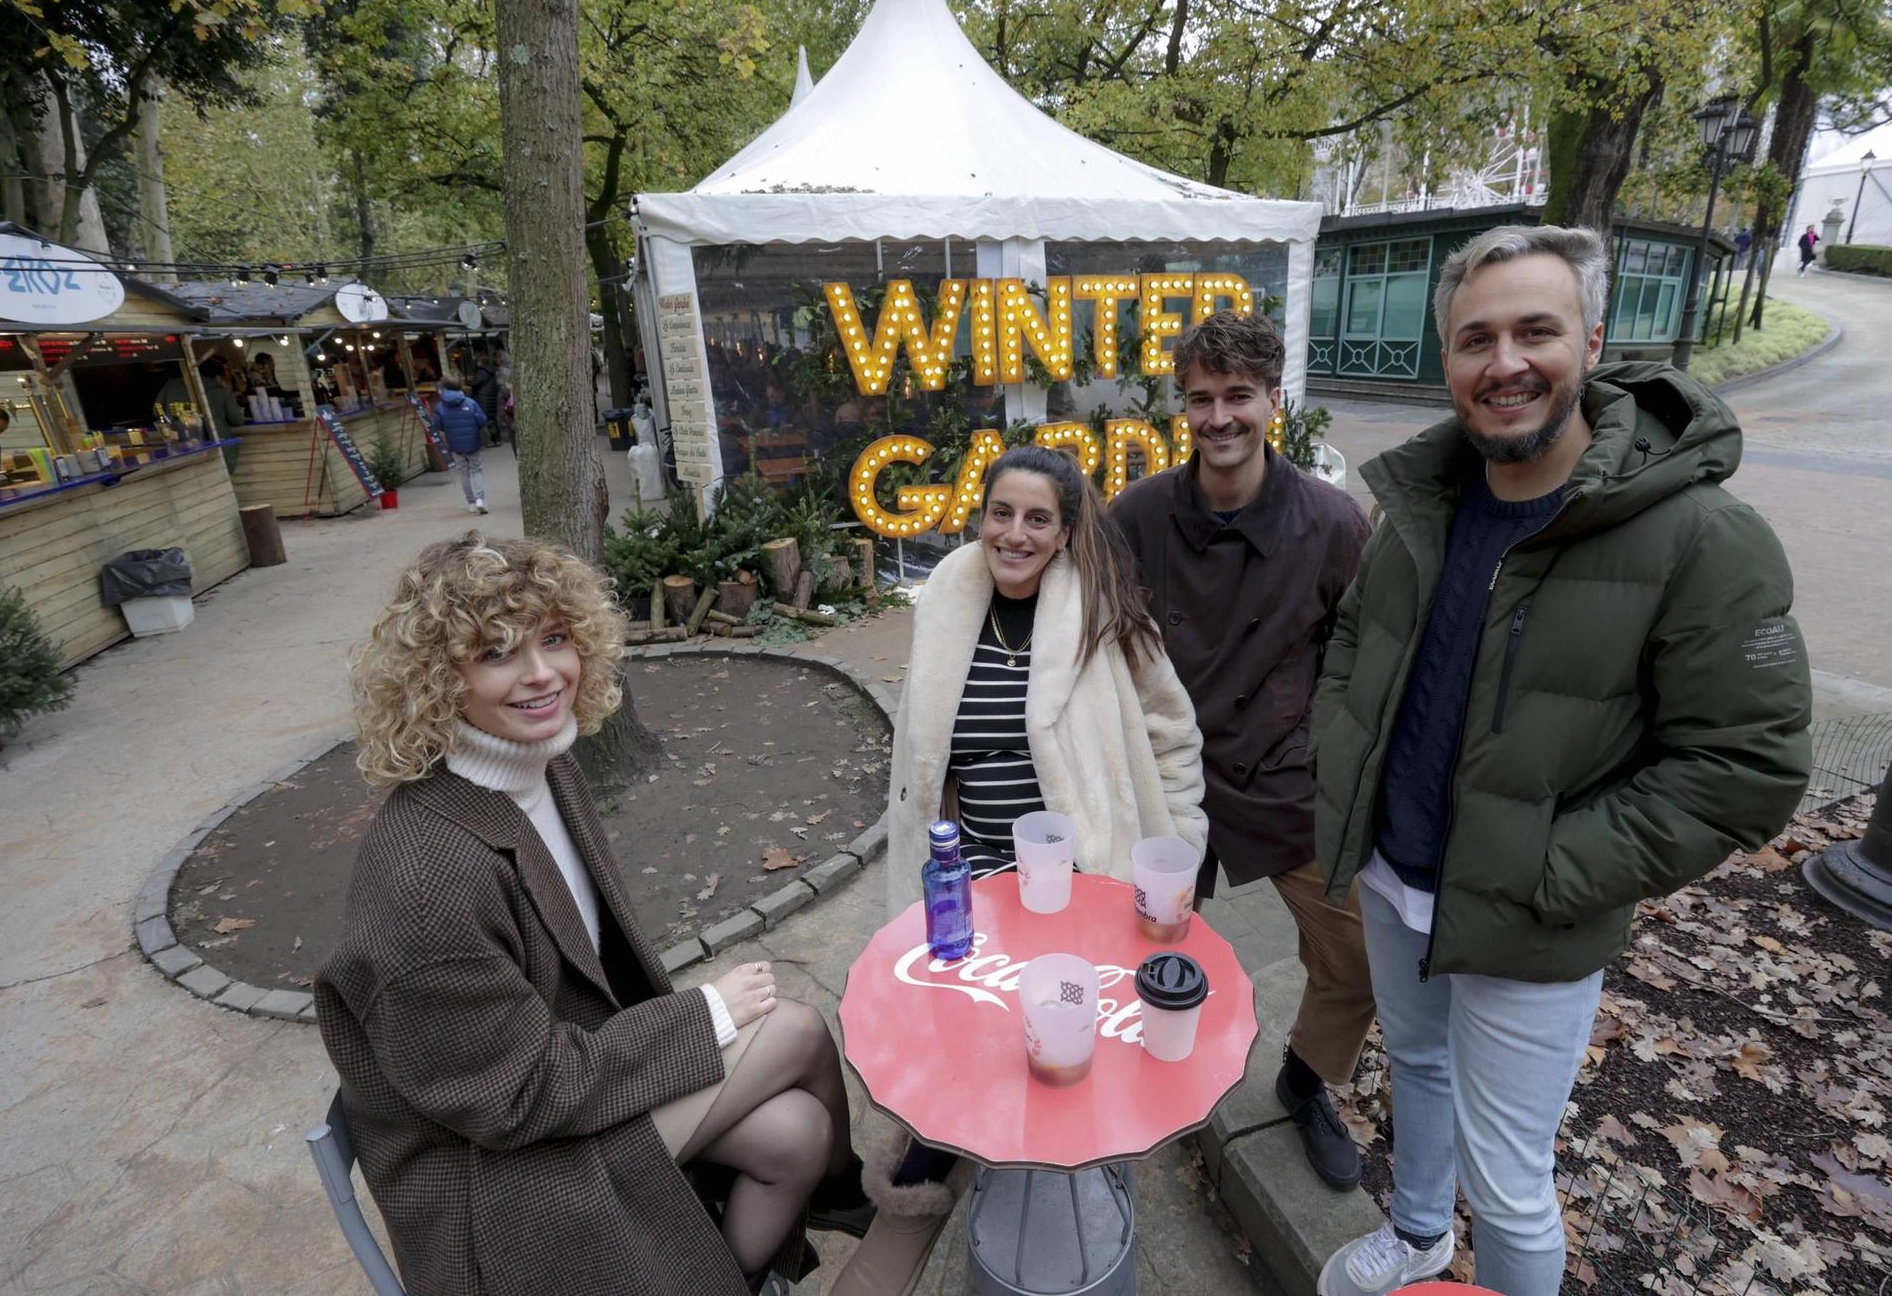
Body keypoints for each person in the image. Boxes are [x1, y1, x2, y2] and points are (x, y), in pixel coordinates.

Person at [1309, 224, 1812, 1295]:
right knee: (1416, 1068)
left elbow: (1744, 766)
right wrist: (1338, 750)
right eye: (1472, 338)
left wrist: (1546, 868)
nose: (1502, 363)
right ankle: (1414, 1235)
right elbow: (1356, 636)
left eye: (1533, 330)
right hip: (1397, 877)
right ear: (1443, 359)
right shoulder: (1419, 503)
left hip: (1534, 915)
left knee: (1509, 1179)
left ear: (1589, 338)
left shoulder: (1699, 538)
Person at [316, 535, 872, 1296]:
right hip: (499, 1181)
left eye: (553, 638)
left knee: (797, 1134)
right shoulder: (425, 875)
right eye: (498, 652)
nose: (542, 673)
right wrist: (701, 1016)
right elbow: (512, 1098)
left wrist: (689, 1024)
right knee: (798, 1029)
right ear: (439, 679)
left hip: (554, 1091)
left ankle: (751, 1262)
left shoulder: (548, 768)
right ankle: (847, 1202)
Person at [848, 445, 1206, 1295]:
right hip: (968, 888)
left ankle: (1073, 1208)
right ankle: (946, 1189)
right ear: (981, 518)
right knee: (966, 1055)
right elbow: (928, 754)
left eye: (1037, 517)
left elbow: (1175, 734)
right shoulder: (948, 601)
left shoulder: (1105, 613)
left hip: (1081, 891)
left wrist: (1176, 845)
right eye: (1001, 512)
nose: (1015, 532)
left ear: (1066, 530)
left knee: (1070, 1066)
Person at [1111, 310, 1377, 1193]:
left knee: (1357, 957)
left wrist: (1315, 736)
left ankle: (1304, 1081)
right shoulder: (1138, 515)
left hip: (1280, 779)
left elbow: (1362, 654)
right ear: (1181, 406)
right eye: (1200, 398)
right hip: (1165, 779)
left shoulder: (1334, 523)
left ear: (1273, 399)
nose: (1219, 416)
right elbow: (1078, 634)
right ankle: (1123, 1079)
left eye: (1237, 396)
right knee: (1123, 941)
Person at [431, 375, 492, 514]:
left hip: (455, 445)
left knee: (463, 473)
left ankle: (470, 502)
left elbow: (437, 425)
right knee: (476, 470)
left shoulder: (440, 407)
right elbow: (482, 420)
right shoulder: (470, 402)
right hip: (473, 443)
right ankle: (480, 500)